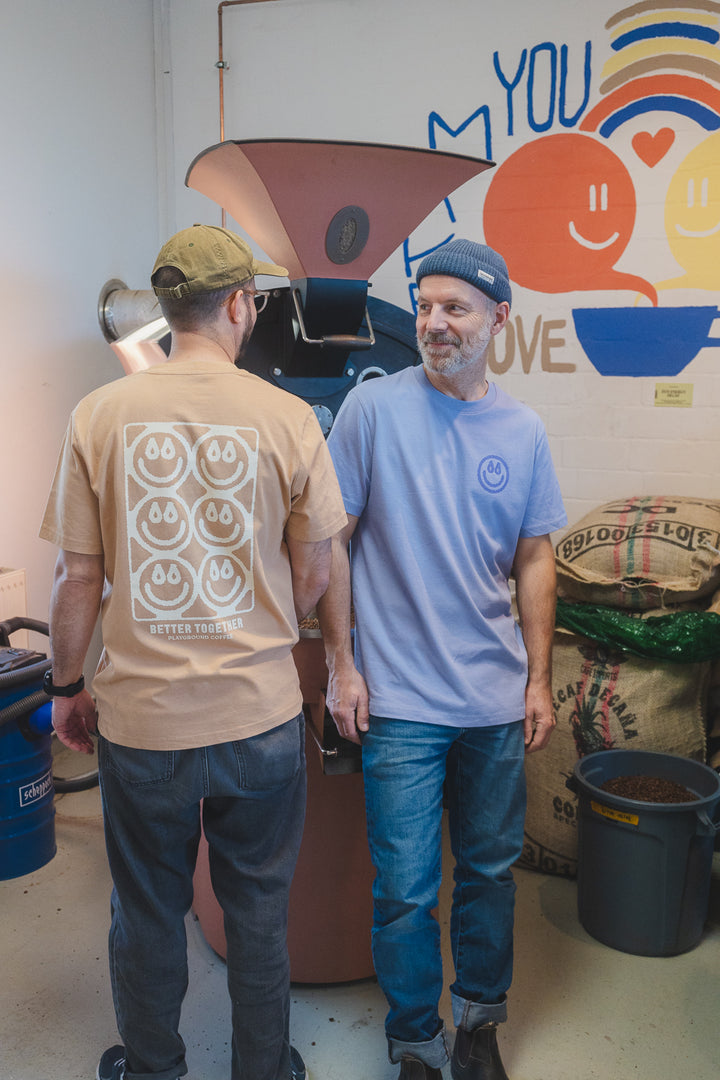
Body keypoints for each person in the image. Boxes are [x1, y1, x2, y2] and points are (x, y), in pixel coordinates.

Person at [39, 224, 347, 1080]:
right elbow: (318, 566)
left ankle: (151, 1069)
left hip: (143, 727)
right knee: (257, 914)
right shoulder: (288, 417)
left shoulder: (98, 414)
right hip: (260, 721)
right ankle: (262, 1069)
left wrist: (67, 689)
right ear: (243, 304)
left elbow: (76, 579)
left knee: (146, 912)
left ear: (165, 310)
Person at [316, 239, 567, 1080]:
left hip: (494, 702)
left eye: (455, 308)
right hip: (402, 703)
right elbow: (333, 545)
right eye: (425, 306)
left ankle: (480, 1024)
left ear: (499, 319)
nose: (432, 324)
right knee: (407, 890)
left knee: (492, 875)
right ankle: (417, 1038)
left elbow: (536, 558)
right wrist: (340, 666)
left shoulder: (524, 429)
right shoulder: (374, 410)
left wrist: (538, 679)